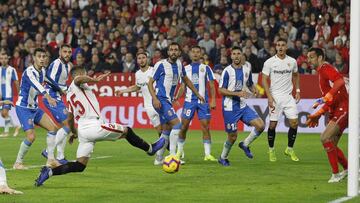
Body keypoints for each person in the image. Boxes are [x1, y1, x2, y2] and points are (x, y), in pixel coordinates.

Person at [34, 66, 165, 187]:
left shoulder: (69, 95)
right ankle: (150, 149)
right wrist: (94, 80)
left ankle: (49, 173)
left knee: (80, 165)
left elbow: (70, 117)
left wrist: (73, 132)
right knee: (126, 130)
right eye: (85, 73)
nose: (86, 76)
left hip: (83, 131)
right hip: (93, 126)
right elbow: (78, 79)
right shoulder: (77, 83)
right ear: (80, 74)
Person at [148, 42, 205, 165]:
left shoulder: (179, 64)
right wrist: (155, 99)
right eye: (171, 50)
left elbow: (186, 80)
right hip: (161, 100)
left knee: (167, 130)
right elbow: (150, 83)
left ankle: (158, 158)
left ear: (179, 53)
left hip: (167, 101)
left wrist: (197, 94)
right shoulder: (161, 65)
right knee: (177, 125)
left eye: (176, 50)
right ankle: (173, 156)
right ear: (168, 52)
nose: (173, 52)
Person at [306, 47, 348, 183]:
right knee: (332, 144)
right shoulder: (321, 72)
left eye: (311, 57)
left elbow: (340, 81)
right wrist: (318, 113)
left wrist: (328, 95)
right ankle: (348, 171)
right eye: (308, 57)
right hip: (337, 108)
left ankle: (336, 174)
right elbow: (329, 100)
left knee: (325, 137)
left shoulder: (325, 68)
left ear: (319, 58)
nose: (309, 60)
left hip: (344, 108)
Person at [13, 48, 60, 170]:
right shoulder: (29, 72)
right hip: (23, 108)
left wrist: (61, 90)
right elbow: (37, 85)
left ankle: (50, 160)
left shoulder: (43, 71)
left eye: (44, 56)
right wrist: (48, 96)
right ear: (34, 58)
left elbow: (50, 81)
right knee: (31, 137)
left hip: (35, 108)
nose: (42, 59)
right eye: (39, 56)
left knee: (53, 128)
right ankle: (18, 163)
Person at [218, 46, 265, 166]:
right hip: (230, 108)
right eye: (234, 54)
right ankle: (223, 157)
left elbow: (249, 84)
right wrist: (237, 93)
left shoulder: (246, 69)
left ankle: (245, 144)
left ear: (242, 55)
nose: (236, 56)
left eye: (239, 53)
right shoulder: (227, 71)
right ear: (231, 56)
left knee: (260, 126)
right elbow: (221, 90)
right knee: (232, 137)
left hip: (242, 106)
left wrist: (254, 89)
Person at [174, 45, 217, 163]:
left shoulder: (206, 68)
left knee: (205, 127)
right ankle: (179, 152)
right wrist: (177, 96)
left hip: (203, 102)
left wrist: (213, 99)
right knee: (183, 127)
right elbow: (183, 86)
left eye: (198, 52)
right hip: (189, 102)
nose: (196, 54)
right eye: (193, 52)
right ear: (190, 54)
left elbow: (212, 85)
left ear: (201, 54)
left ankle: (207, 154)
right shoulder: (185, 68)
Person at [261, 38, 301, 162]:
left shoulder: (292, 61)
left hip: (288, 96)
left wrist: (298, 90)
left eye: (283, 45)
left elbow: (296, 75)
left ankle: (289, 149)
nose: (280, 47)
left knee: (294, 123)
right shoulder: (269, 62)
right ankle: (271, 150)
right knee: (273, 125)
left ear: (286, 47)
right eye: (278, 45)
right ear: (276, 47)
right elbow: (264, 79)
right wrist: (269, 96)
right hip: (275, 96)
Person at [116, 52, 162, 137]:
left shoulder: (153, 70)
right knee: (159, 131)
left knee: (167, 128)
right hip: (148, 106)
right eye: (139, 58)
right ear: (137, 61)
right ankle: (168, 148)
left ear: (147, 59)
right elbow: (137, 87)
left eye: (143, 58)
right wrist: (123, 91)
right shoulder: (138, 74)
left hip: (159, 103)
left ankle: (174, 148)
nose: (141, 60)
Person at [42, 44, 73, 164]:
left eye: (69, 52)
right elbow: (49, 80)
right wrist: (60, 90)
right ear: (60, 52)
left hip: (58, 97)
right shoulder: (57, 64)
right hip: (51, 97)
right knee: (68, 124)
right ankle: (48, 150)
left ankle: (60, 156)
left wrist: (68, 89)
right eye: (65, 51)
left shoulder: (67, 66)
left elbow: (62, 83)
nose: (67, 54)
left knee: (65, 126)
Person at [0, 51, 20, 137]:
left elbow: (16, 82)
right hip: (1, 96)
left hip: (8, 95)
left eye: (5, 58)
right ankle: (16, 126)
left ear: (8, 59)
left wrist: (20, 94)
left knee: (4, 113)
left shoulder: (12, 70)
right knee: (3, 114)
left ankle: (6, 132)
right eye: (1, 58)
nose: (3, 60)